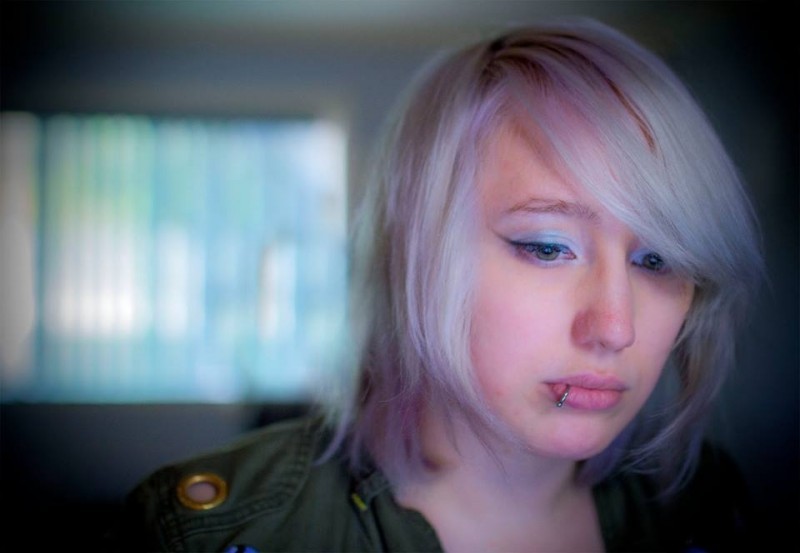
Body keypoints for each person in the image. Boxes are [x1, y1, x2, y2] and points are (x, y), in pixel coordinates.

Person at [107, 17, 764, 552]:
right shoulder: (212, 535)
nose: (616, 327)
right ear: (420, 252)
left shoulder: (707, 510)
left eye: (658, 260)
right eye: (547, 247)